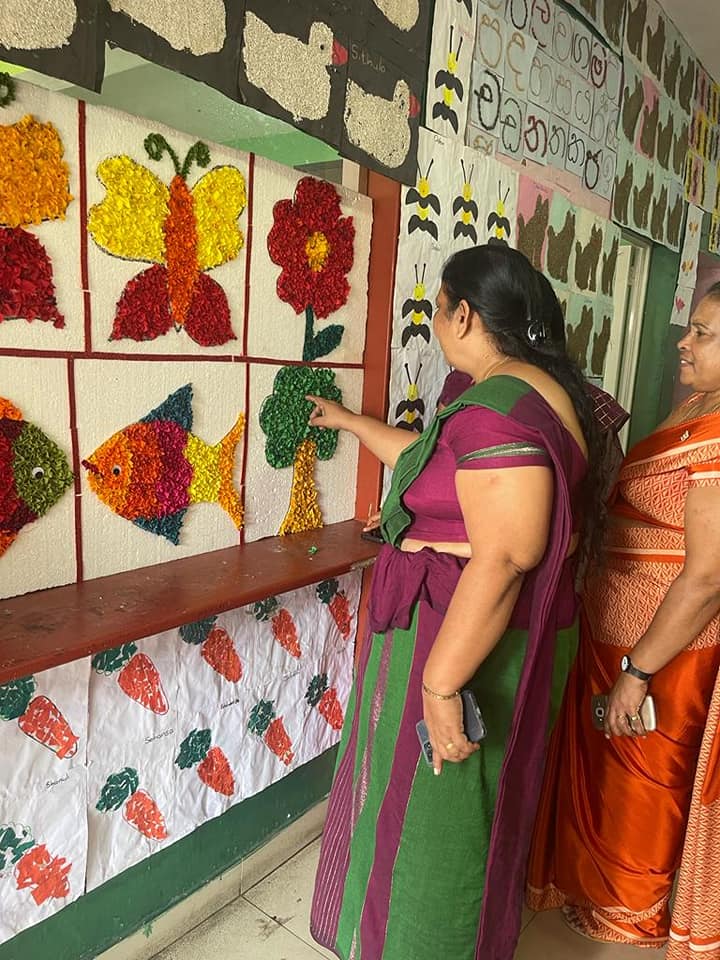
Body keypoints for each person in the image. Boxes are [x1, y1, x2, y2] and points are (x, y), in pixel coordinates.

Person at [308, 244, 605, 960]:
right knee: (449, 807)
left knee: (439, 818)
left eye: (436, 309)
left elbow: (505, 555)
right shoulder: (525, 393)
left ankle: (419, 945)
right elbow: (437, 468)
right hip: (475, 627)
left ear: (463, 313)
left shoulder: (498, 410)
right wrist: (351, 423)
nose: (435, 324)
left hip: (463, 641)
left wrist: (442, 685)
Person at [527, 285, 720, 957]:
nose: (684, 342)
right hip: (619, 629)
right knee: (612, 779)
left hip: (666, 649)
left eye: (703, 334)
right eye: (691, 328)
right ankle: (599, 901)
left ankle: (630, 919)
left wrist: (639, 672)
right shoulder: (698, 407)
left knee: (644, 787)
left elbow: (707, 576)